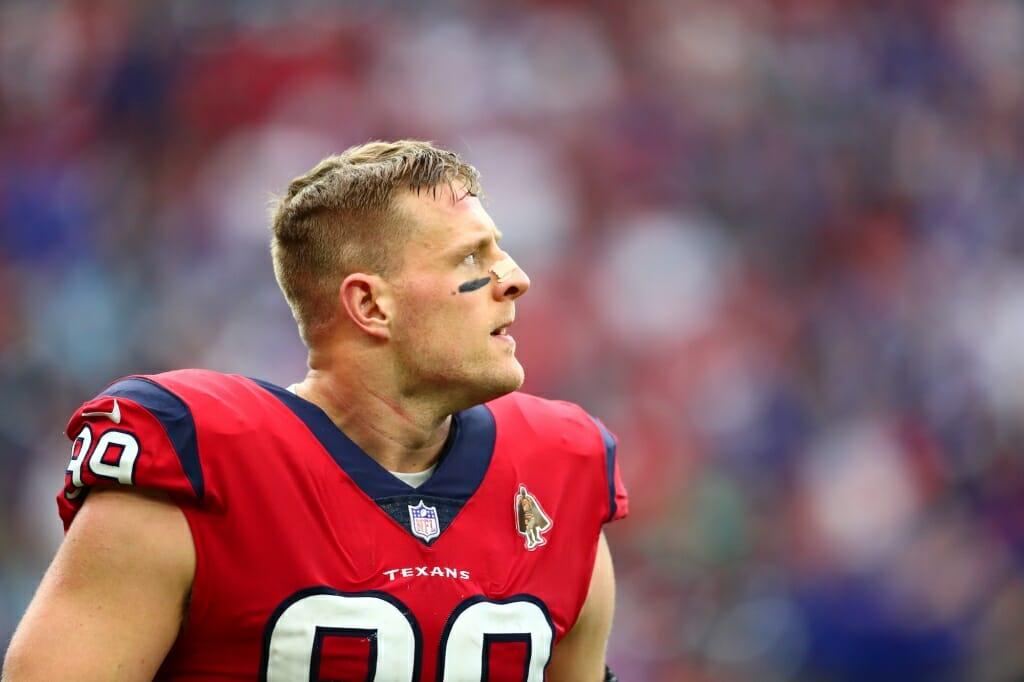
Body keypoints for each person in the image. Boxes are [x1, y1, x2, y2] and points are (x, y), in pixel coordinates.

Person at [1, 140, 628, 681]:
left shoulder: (558, 473)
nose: (515, 277)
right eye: (472, 257)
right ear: (371, 306)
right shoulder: (201, 463)